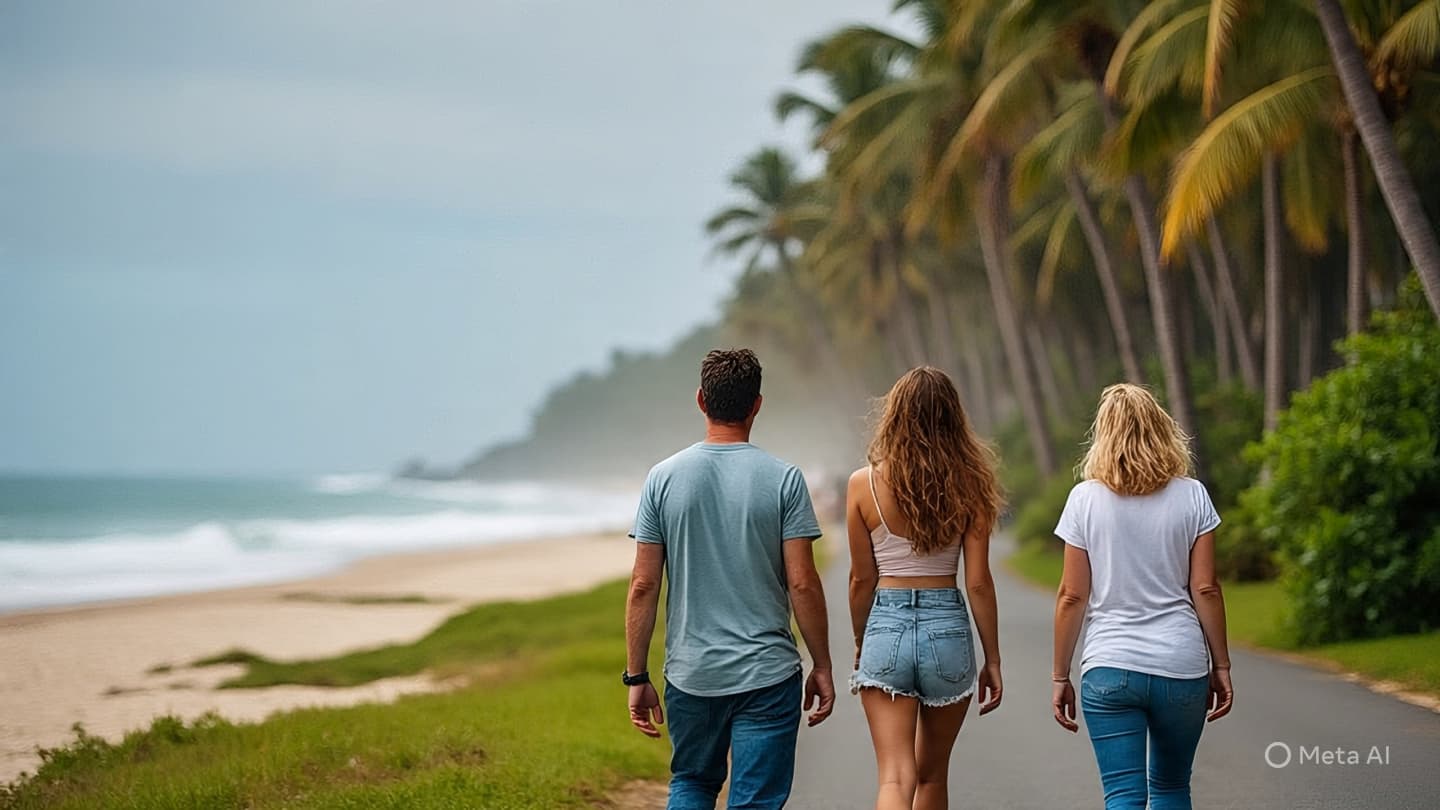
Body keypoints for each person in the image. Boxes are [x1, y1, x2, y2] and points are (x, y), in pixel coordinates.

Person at [624, 348, 835, 810]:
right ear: (757, 404)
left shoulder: (662, 479)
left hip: (692, 675)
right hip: (767, 673)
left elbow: (643, 584)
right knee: (756, 801)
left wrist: (636, 675)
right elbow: (802, 583)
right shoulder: (785, 479)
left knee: (693, 783)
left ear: (701, 400)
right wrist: (822, 664)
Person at [1050, 383, 1235, 810]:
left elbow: (1072, 596)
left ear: (1103, 435)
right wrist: (1221, 665)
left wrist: (1061, 676)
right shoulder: (1192, 495)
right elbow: (1205, 588)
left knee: (1124, 796)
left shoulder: (1084, 501)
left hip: (1109, 668)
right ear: (1161, 429)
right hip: (1180, 665)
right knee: (1171, 788)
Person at [847, 367, 1004, 810]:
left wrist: (863, 640)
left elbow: (861, 579)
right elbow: (978, 582)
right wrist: (992, 658)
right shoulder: (972, 483)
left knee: (895, 777)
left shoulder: (864, 485)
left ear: (894, 416)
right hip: (947, 629)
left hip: (886, 625)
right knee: (932, 776)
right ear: (953, 417)